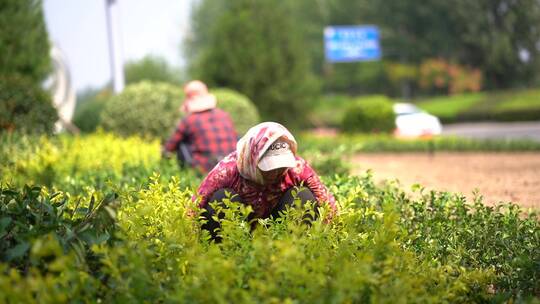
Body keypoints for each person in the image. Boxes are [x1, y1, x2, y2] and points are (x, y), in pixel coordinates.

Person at [195, 122, 337, 240]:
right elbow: (195, 205)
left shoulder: (297, 168)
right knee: (221, 197)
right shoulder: (228, 170)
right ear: (253, 159)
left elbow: (327, 203)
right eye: (269, 167)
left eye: (280, 167)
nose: (275, 173)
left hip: (278, 230)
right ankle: (224, 255)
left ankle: (291, 254)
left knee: (302, 195)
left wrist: (328, 240)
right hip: (238, 229)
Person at [163, 80, 238, 173]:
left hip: (205, 169)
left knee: (181, 144)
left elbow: (169, 148)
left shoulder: (189, 120)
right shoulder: (224, 115)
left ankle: (187, 175)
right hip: (232, 166)